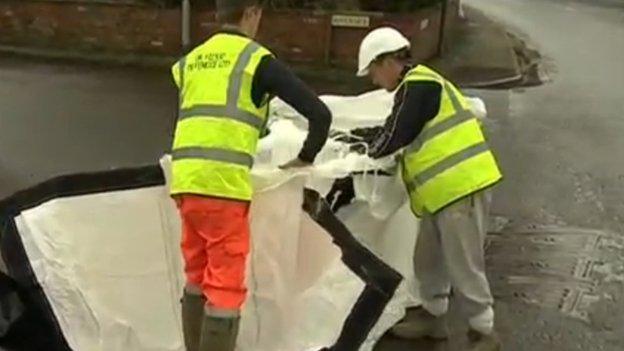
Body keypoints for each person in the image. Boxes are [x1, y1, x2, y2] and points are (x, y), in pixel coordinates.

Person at [169, 0, 331, 350]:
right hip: (224, 187)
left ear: (217, 15)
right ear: (252, 13)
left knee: (196, 275)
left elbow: (203, 119)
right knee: (225, 287)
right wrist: (303, 159)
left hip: (185, 181)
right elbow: (320, 115)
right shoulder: (257, 61)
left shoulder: (191, 60)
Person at [355, 27, 503, 351]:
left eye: (373, 72)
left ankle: (483, 330)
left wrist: (360, 153)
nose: (374, 80)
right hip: (442, 194)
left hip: (461, 187)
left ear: (386, 62)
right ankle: (431, 316)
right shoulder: (416, 86)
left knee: (464, 262)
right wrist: (367, 138)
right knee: (428, 259)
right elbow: (394, 129)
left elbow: (394, 135)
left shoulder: (419, 85)